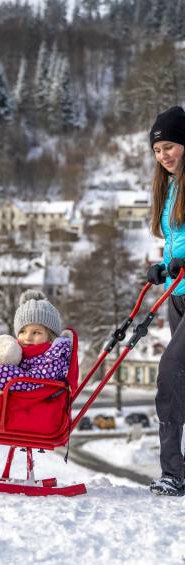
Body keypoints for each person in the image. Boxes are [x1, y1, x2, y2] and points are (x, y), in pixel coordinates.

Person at [147, 106, 185, 496]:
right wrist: (162, 266)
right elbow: (176, 241)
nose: (164, 156)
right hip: (178, 295)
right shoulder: (169, 185)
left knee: (170, 372)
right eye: (158, 150)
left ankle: (173, 473)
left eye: (170, 146)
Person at [0, 289, 72, 392]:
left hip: (38, 405)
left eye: (36, 332)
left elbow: (34, 380)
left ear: (51, 336)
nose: (27, 337)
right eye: (22, 331)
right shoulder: (18, 351)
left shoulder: (55, 357)